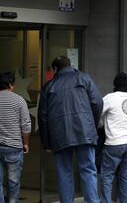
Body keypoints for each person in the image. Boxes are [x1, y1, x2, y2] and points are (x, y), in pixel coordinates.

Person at [38, 56, 103, 203]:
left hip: (59, 135)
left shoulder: (49, 86)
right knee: (88, 170)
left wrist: (46, 142)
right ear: (70, 65)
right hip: (85, 132)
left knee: (64, 172)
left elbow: (43, 116)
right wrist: (91, 124)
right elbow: (97, 102)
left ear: (55, 69)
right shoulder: (84, 78)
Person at [100, 72, 127, 203]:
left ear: (115, 84)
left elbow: (97, 113)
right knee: (125, 176)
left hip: (114, 143)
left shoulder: (110, 98)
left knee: (107, 176)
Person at [0, 72, 31, 202]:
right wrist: (26, 143)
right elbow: (26, 125)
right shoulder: (19, 100)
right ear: (10, 85)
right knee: (13, 182)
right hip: (13, 147)